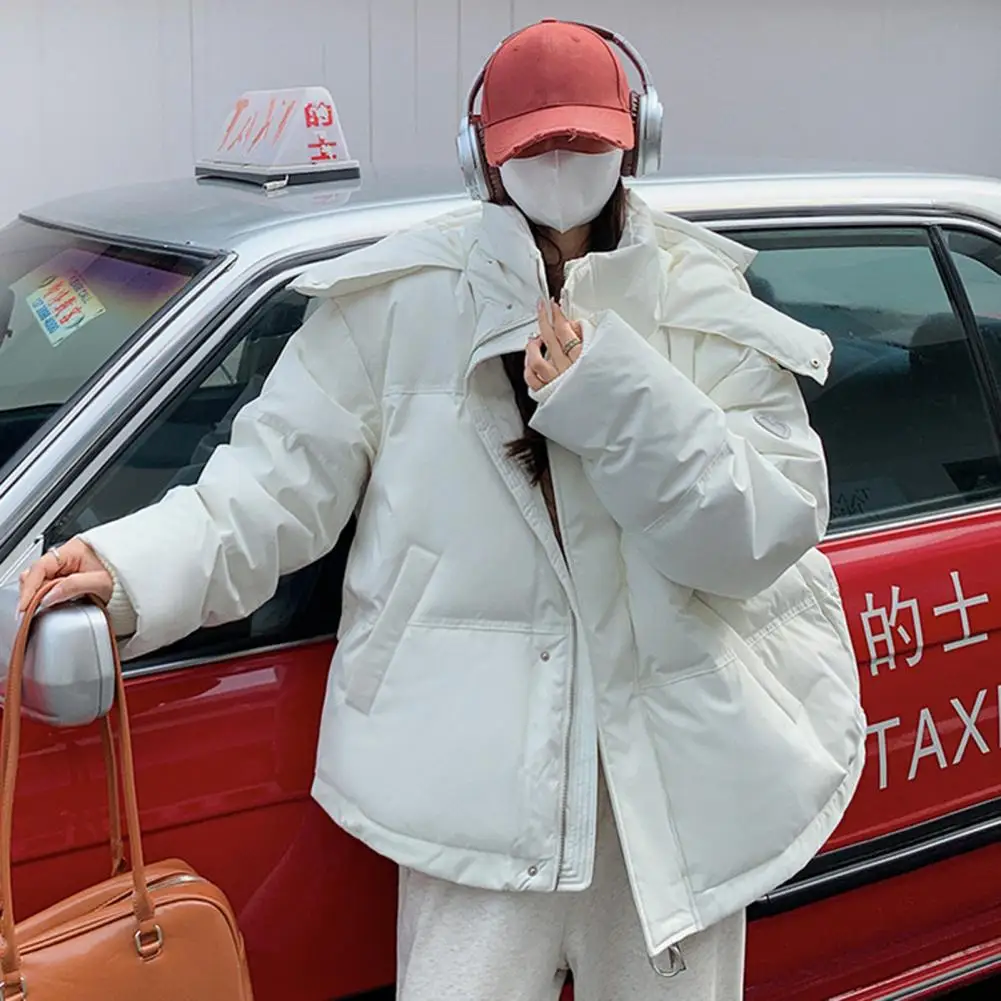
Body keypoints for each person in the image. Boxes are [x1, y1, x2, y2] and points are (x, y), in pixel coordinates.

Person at [18, 19, 866, 1001]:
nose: (557, 162)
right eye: (532, 141)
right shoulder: (390, 303)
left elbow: (759, 530)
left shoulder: (700, 297)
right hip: (474, 796)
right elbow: (263, 492)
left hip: (668, 795)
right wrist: (127, 568)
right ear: (480, 157)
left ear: (636, 138)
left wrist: (610, 392)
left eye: (582, 139)